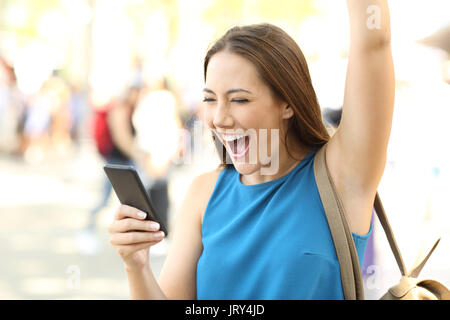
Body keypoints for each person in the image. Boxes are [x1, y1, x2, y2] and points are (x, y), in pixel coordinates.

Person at [108, 0, 395, 299]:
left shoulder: (342, 177)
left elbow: (373, 42)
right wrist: (136, 265)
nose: (219, 118)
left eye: (239, 99)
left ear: (287, 103)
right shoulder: (203, 194)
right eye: (210, 99)